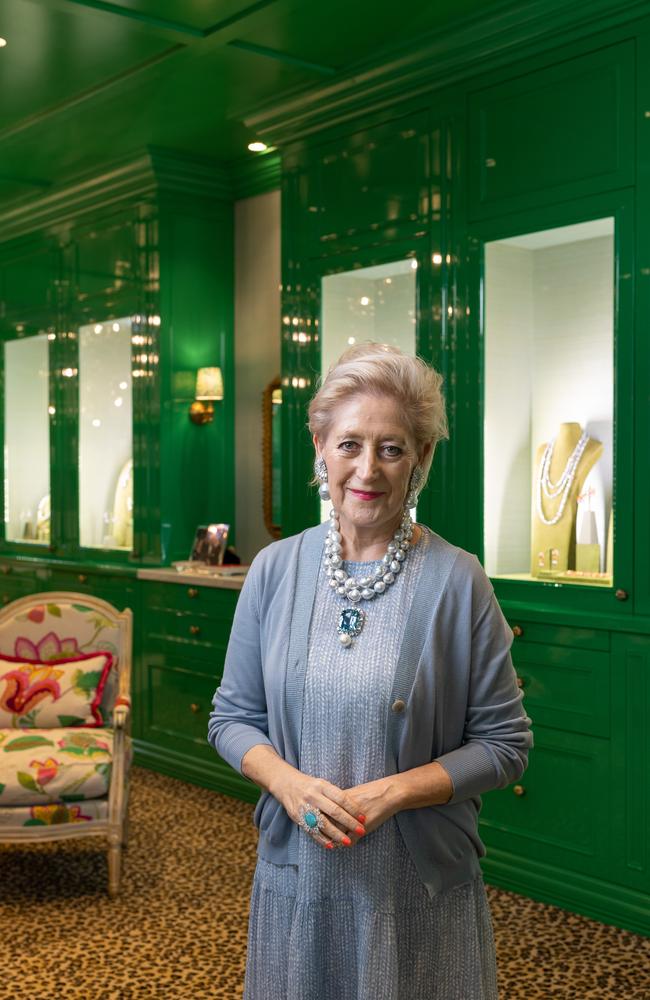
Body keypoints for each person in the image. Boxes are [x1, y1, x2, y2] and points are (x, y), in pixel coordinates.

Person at [208, 342, 533, 1000]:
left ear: (421, 460)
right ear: (320, 450)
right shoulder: (273, 570)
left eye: (392, 448)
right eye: (350, 443)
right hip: (299, 876)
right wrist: (290, 787)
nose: (368, 469)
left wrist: (393, 793)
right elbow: (232, 718)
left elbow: (505, 746)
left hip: (415, 888)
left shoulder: (457, 581)